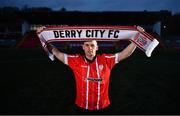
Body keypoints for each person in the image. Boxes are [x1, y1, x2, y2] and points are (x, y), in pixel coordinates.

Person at [37, 26, 144, 114]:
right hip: (82, 107)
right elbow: (57, 53)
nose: (90, 48)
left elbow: (125, 53)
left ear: (97, 47)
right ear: (83, 47)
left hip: (103, 107)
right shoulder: (76, 60)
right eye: (87, 45)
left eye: (92, 45)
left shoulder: (106, 60)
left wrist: (136, 38)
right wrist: (44, 38)